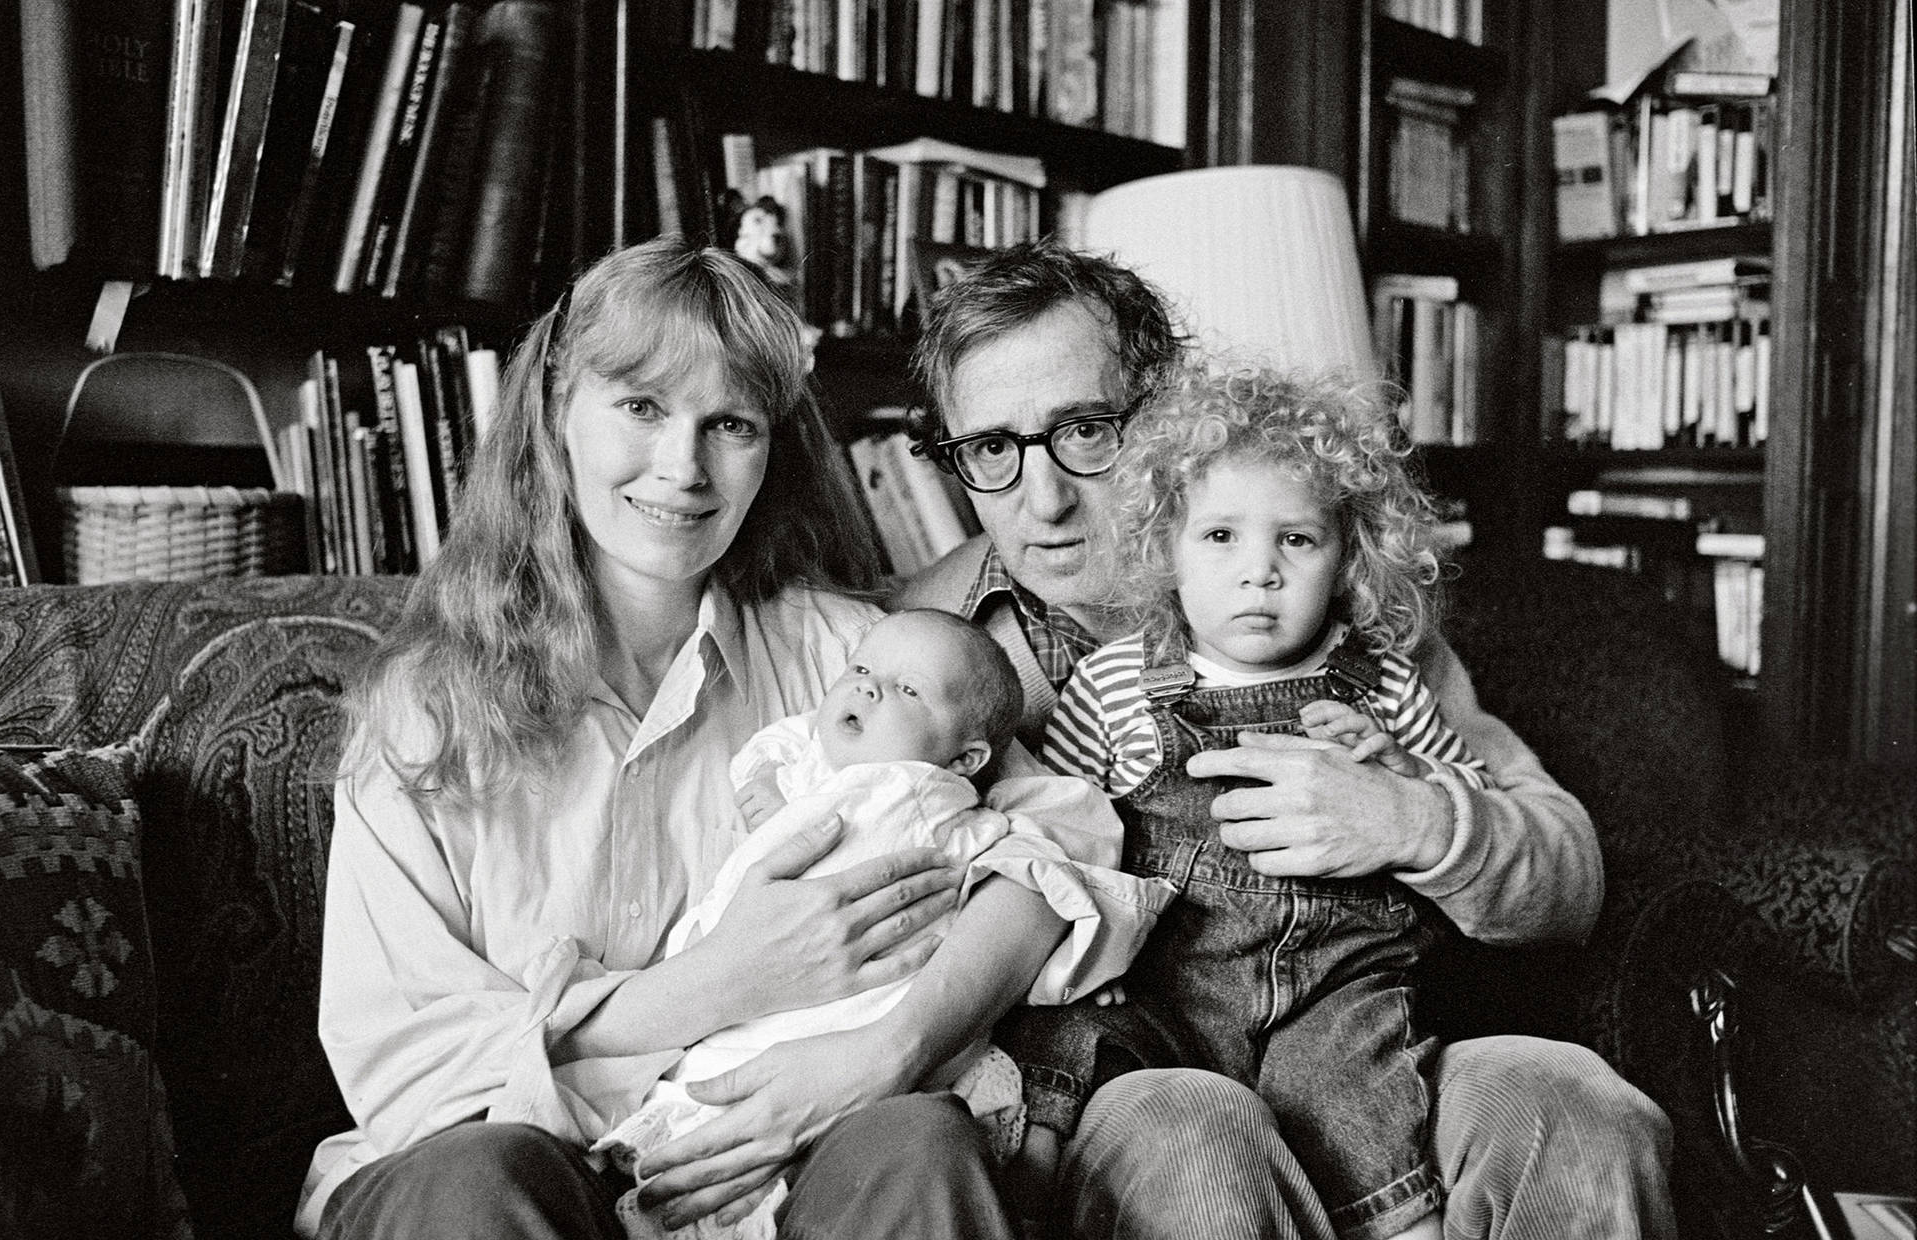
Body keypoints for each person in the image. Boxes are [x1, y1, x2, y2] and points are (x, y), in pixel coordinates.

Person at [300, 237, 1161, 1240]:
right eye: (641, 406)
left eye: (730, 424)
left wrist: (890, 1043)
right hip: (510, 1166)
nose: (683, 466)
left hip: (778, 1159)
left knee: (916, 1142)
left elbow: (1061, 847)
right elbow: (408, 1065)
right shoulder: (426, 714)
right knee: (476, 1178)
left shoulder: (849, 656)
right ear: (553, 417)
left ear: (770, 451)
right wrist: (715, 985)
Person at [900, 238, 1679, 1240]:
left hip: (1366, 1039)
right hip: (1135, 1069)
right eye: (991, 449)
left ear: (1162, 422)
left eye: (1085, 430)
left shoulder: (1333, 617)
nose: (1040, 497)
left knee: (1578, 1110)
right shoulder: (912, 643)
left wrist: (1414, 817)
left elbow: (1567, 872)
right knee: (1197, 1131)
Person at [1017, 363, 1494, 1240]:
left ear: (1349, 556)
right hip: (1165, 980)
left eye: (1297, 542)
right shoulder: (1119, 682)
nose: (1260, 575)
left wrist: (1403, 778)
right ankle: (1020, 1202)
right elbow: (1053, 830)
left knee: (1369, 1108)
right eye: (1222, 538)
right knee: (1061, 1042)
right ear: (1167, 549)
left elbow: (1470, 798)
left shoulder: (1382, 683)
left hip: (1336, 991)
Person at [592, 608, 1165, 1240]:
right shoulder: (815, 769)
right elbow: (787, 745)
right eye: (862, 669)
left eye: (908, 690)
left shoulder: (935, 804)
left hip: (850, 1046)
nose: (869, 686)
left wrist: (1076, 967)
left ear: (966, 759)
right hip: (722, 1004)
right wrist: (775, 795)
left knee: (760, 1137)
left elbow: (1051, 859)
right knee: (712, 1104)